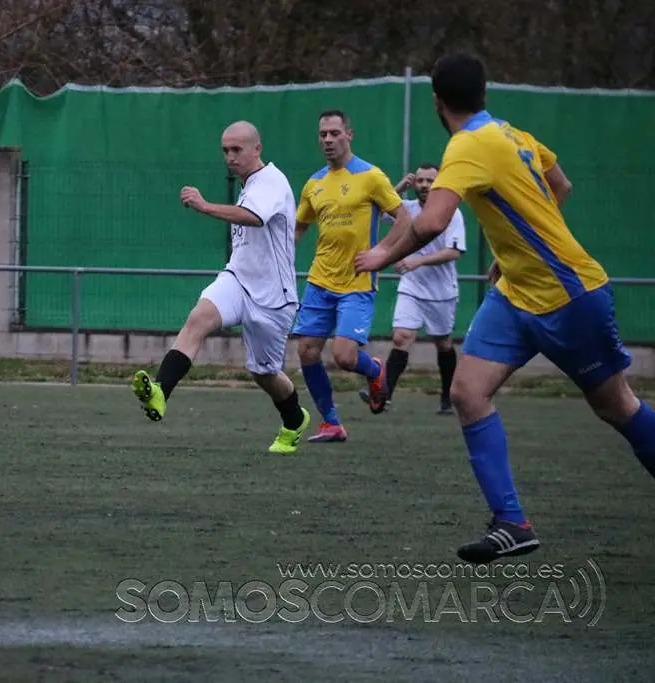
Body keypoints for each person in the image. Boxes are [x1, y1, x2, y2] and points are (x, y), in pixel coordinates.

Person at [354, 52, 655, 564]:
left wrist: (382, 254)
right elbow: (561, 185)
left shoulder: (467, 145)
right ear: (485, 94)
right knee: (467, 392)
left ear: (436, 102)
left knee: (616, 406)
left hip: (569, 297)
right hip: (516, 295)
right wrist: (514, 251)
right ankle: (511, 521)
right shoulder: (512, 135)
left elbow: (430, 222)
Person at [131, 120, 312, 454]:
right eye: (225, 150)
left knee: (265, 374)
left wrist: (205, 206)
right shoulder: (248, 184)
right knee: (198, 318)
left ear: (257, 149)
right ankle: (160, 391)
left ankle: (293, 420)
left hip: (274, 297)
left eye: (237, 150)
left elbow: (253, 217)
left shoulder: (271, 180)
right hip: (237, 280)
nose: (230, 157)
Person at [293, 110, 413, 443]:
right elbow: (299, 226)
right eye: (322, 135)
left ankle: (375, 370)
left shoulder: (371, 176)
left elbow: (403, 218)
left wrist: (382, 252)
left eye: (334, 133)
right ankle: (331, 422)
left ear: (349, 134)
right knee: (307, 351)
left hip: (357, 282)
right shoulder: (314, 183)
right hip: (320, 280)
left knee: (344, 356)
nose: (328, 140)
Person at [358, 164, 466, 414]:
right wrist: (398, 188)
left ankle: (447, 397)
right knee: (401, 337)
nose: (424, 185)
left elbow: (454, 251)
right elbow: (381, 211)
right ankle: (384, 395)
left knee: (443, 343)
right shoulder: (407, 208)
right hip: (412, 285)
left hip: (441, 291)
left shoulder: (452, 213)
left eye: (430, 181)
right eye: (420, 180)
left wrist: (418, 260)